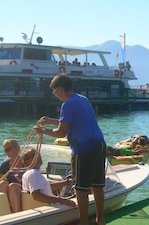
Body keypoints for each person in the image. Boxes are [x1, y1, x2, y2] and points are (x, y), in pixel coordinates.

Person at [33, 73, 106, 225]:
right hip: (99, 144)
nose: (55, 95)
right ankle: (100, 219)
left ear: (59, 90)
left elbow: (61, 132)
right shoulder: (81, 99)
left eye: (54, 92)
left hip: (84, 148)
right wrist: (50, 121)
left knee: (80, 188)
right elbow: (69, 122)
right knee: (97, 184)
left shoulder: (67, 104)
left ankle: (83, 222)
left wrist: (42, 131)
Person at [0, 139, 23, 212]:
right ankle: (5, 211)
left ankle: (16, 213)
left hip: (22, 186)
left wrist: (19, 178)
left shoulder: (25, 162)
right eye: (5, 150)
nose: (6, 151)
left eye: (8, 149)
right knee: (3, 184)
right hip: (10, 188)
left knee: (12, 186)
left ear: (16, 148)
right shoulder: (5, 165)